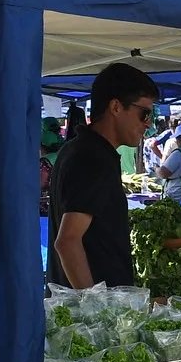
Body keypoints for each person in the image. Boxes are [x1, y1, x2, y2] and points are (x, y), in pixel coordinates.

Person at [49, 64, 157, 288]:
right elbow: (67, 242)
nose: (148, 123)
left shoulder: (77, 149)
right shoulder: (92, 158)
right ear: (116, 107)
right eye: (144, 113)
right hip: (91, 315)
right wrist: (95, 307)